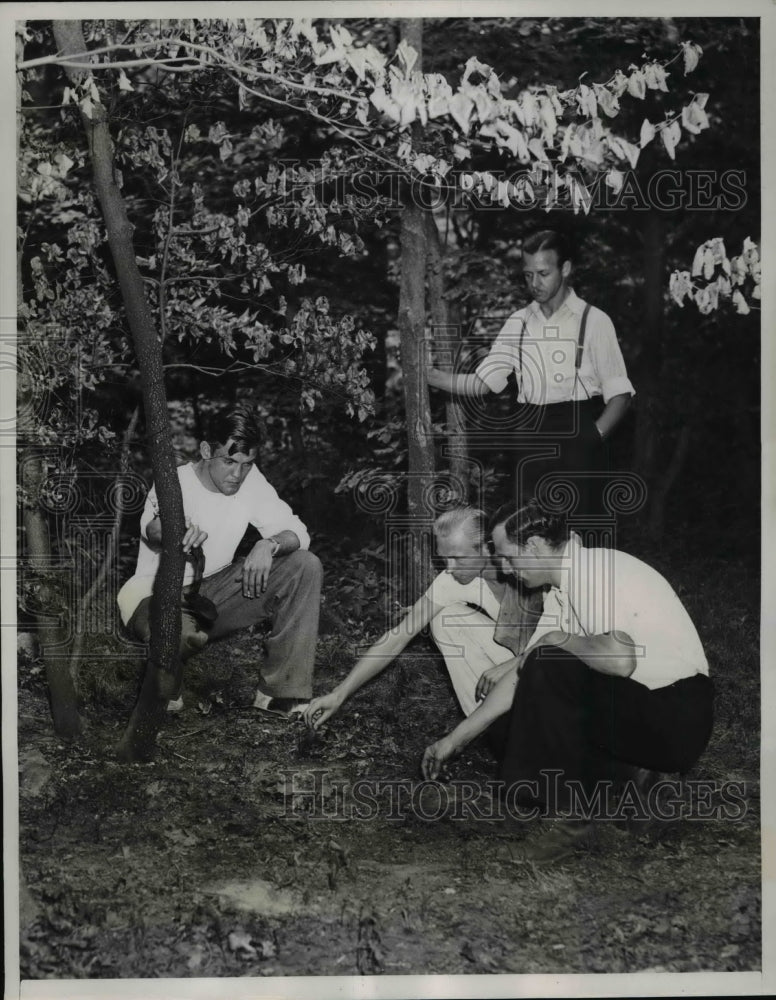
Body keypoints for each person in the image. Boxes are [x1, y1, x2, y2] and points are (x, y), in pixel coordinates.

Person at [421, 499, 714, 863]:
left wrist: (554, 641)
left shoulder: (594, 570)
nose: (507, 570)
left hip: (677, 714)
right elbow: (522, 676)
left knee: (548, 664)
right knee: (506, 723)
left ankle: (570, 824)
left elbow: (620, 660)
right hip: (644, 712)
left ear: (536, 546)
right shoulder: (563, 589)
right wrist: (456, 739)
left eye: (510, 557)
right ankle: (631, 788)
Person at [117, 405, 322, 717]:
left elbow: (298, 533)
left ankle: (279, 694)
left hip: (214, 593)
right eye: (229, 461)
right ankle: (166, 690)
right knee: (180, 636)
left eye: (247, 464)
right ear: (205, 450)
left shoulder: (250, 483)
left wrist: (268, 544)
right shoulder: (176, 481)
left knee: (304, 565)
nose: (237, 474)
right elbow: (151, 528)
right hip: (155, 595)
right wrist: (177, 530)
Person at [426, 229, 635, 525]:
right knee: (526, 537)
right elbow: (483, 383)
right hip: (529, 436)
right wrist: (430, 375)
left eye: (543, 273)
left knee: (581, 538)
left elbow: (620, 394)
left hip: (578, 433)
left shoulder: (595, 321)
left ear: (565, 268)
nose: (534, 283)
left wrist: (592, 437)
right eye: (527, 275)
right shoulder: (518, 323)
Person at [301, 507, 528, 731]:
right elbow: (398, 637)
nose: (450, 568)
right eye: (445, 559)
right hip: (519, 663)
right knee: (445, 620)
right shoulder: (453, 580)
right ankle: (495, 729)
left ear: (487, 549)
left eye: (458, 558)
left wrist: (514, 665)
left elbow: (561, 637)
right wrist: (339, 694)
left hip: (548, 662)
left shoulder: (526, 568)